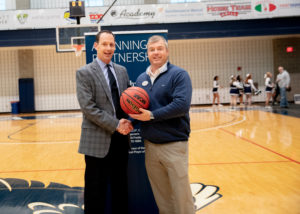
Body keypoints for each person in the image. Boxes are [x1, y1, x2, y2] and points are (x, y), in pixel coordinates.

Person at [129, 35, 195, 214]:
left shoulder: (179, 75)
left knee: (181, 195)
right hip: (151, 146)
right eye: (152, 50)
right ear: (147, 54)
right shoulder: (142, 78)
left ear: (167, 51)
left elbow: (181, 106)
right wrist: (130, 122)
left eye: (159, 49)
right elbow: (138, 109)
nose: (156, 52)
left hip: (174, 145)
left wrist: (151, 116)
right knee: (162, 196)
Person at [76, 30, 133, 214]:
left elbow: (128, 102)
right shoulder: (84, 73)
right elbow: (88, 108)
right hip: (96, 141)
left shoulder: (122, 71)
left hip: (121, 140)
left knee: (121, 189)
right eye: (104, 44)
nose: (108, 48)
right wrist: (116, 124)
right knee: (95, 193)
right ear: (96, 46)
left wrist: (130, 121)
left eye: (111, 44)